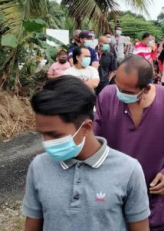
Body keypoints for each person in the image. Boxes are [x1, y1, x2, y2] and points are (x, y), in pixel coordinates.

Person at [23, 76, 150, 231]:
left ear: (86, 127)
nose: (46, 142)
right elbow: (32, 224)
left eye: (55, 135)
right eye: (42, 134)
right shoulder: (39, 167)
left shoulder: (129, 170)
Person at [94, 55, 164, 231]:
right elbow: (94, 140)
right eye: (118, 87)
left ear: (145, 88)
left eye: (127, 92)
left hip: (151, 191)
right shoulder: (107, 96)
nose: (119, 94)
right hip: (111, 190)